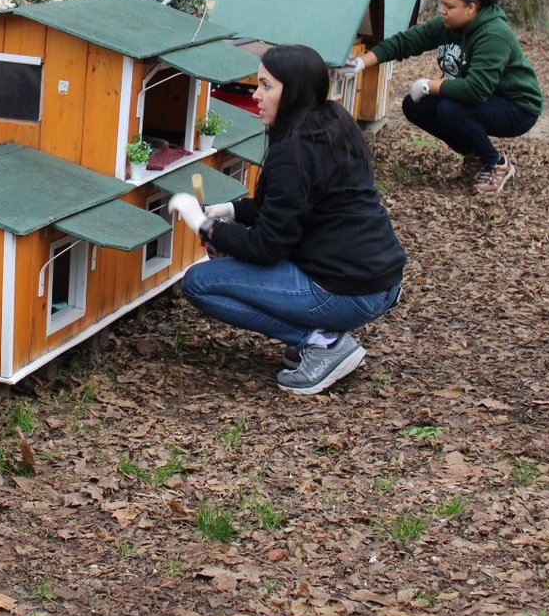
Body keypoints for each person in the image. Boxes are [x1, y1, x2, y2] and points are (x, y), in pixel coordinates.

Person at [169, 45, 405, 396]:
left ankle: (321, 342)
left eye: (266, 86)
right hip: (380, 282)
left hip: (346, 290)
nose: (256, 95)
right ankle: (323, 335)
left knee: (198, 282)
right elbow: (285, 206)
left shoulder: (292, 154)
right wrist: (226, 211)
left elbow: (266, 247)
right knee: (225, 265)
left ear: (292, 91)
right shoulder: (332, 121)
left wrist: (204, 227)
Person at [345, 0, 543, 193]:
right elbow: (406, 42)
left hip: (518, 107)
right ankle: (474, 153)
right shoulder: (449, 25)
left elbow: (476, 90)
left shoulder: (494, 35)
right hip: (485, 97)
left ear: (471, 8)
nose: (442, 10)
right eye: (441, 4)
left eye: (450, 6)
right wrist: (361, 62)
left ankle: (497, 163)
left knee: (450, 110)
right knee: (415, 106)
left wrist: (430, 85)